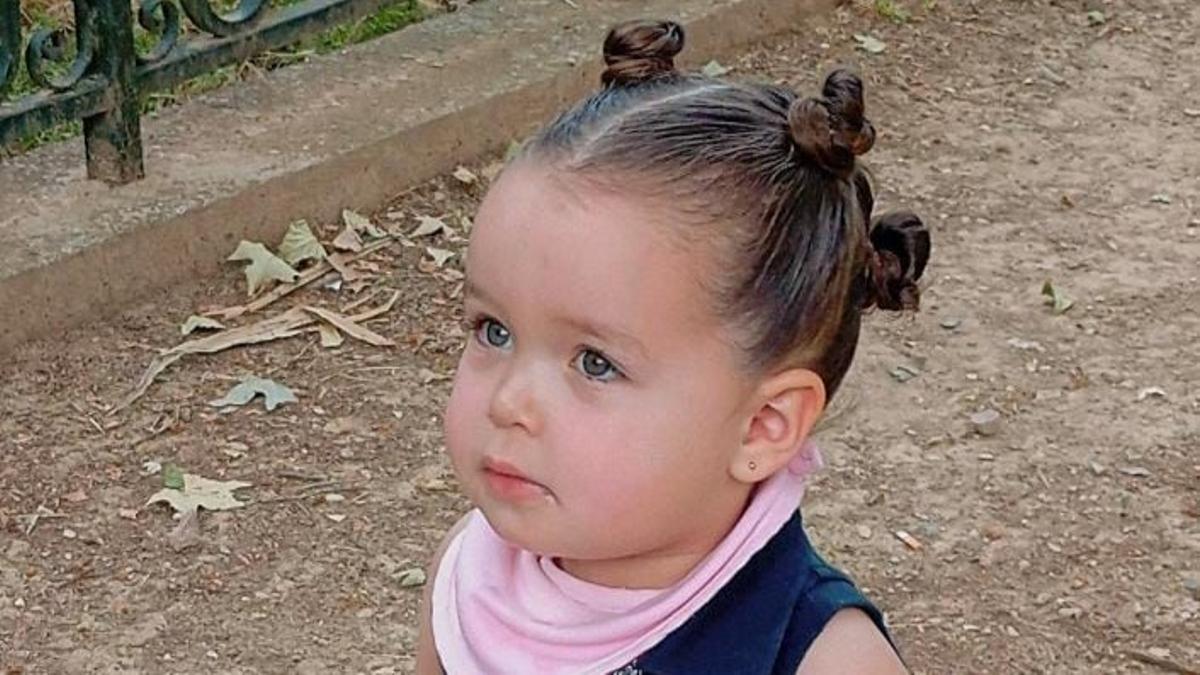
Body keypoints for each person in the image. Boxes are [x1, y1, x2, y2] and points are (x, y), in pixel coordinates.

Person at [415, 17, 930, 675]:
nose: (509, 400)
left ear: (762, 425)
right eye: (494, 330)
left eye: (595, 362)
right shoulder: (469, 583)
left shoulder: (820, 661)